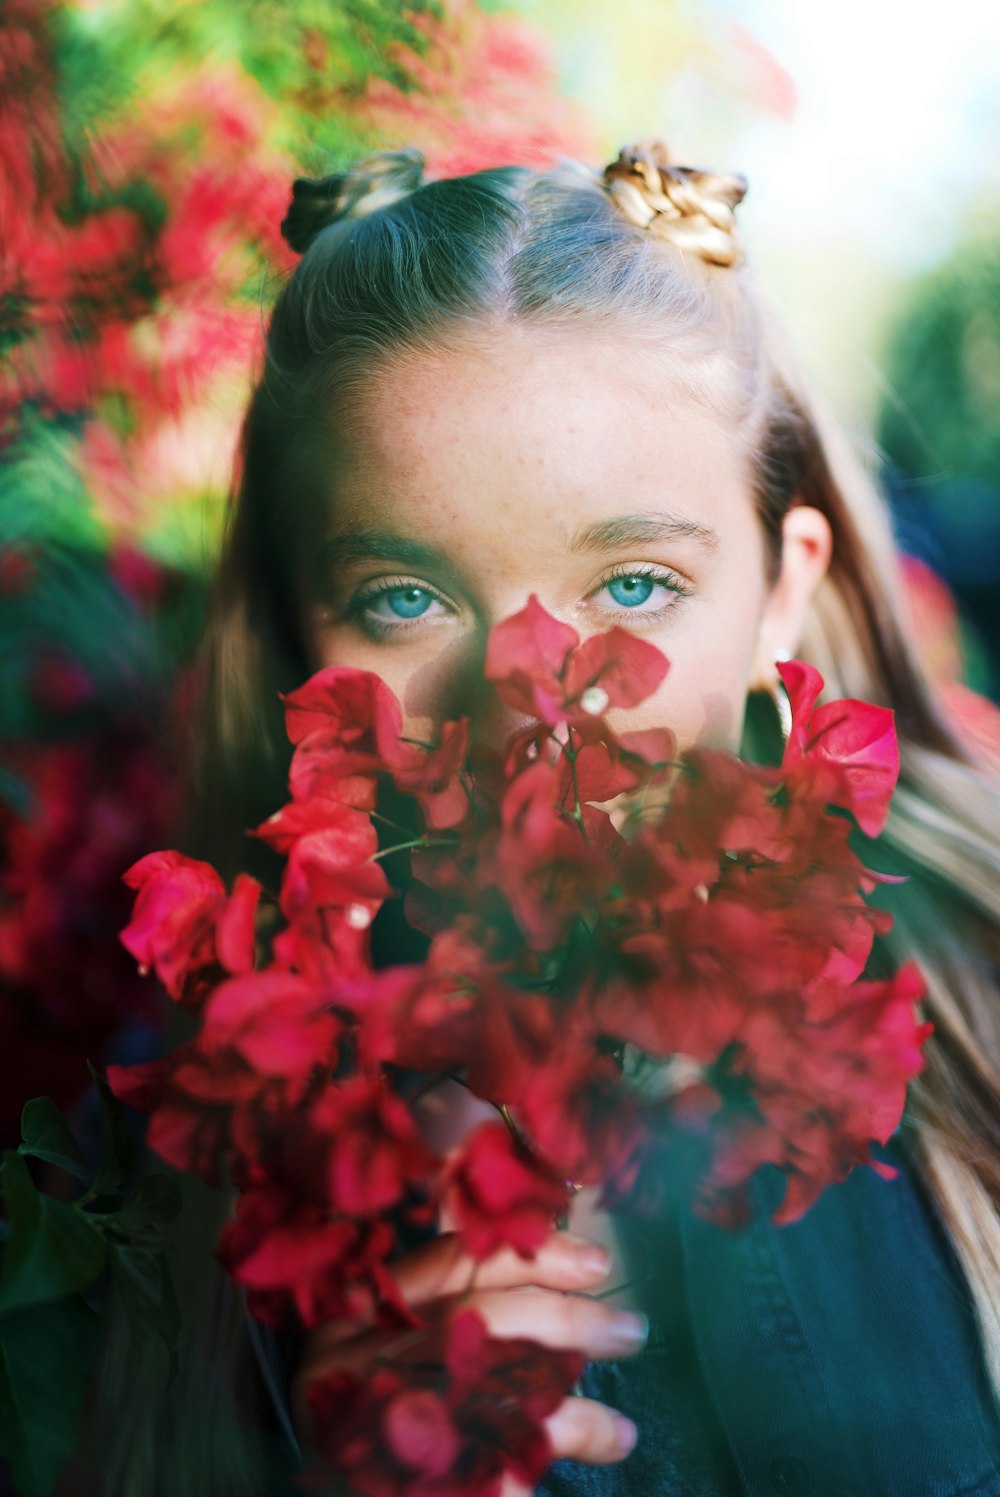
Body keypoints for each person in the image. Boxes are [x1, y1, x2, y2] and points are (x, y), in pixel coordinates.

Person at [86, 139, 1000, 1497]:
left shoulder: (978, 977)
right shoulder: (197, 1176)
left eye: (633, 583)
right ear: (291, 625)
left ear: (781, 591)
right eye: (405, 597)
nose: (528, 711)